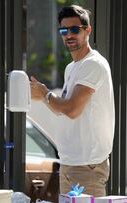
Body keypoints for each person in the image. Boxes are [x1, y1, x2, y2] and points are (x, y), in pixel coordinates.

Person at [29, 5, 115, 197]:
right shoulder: (72, 68)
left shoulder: (93, 64)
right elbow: (62, 110)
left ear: (88, 30)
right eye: (64, 30)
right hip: (71, 163)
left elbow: (72, 109)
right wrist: (44, 97)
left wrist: (45, 94)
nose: (69, 35)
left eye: (75, 29)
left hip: (87, 165)